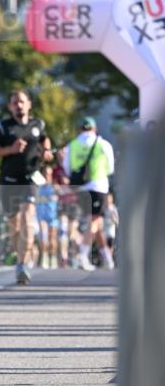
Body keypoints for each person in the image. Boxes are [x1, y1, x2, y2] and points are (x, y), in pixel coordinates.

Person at [0, 89, 53, 284]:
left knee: (27, 217)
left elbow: (43, 139)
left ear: (29, 104)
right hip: (8, 180)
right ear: (10, 106)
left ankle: (23, 264)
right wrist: (11, 149)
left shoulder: (37, 124)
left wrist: (46, 150)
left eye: (22, 102)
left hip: (30, 179)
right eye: (14, 102)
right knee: (14, 225)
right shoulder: (2, 127)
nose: (18, 105)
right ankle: (20, 258)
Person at [61, 116, 115, 271]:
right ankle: (83, 255)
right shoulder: (103, 144)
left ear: (80, 129)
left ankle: (107, 258)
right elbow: (110, 168)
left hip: (81, 188)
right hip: (98, 186)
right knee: (95, 221)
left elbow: (67, 168)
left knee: (96, 223)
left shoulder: (72, 145)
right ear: (94, 128)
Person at [35, 163, 59, 268]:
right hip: (41, 215)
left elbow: (58, 196)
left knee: (52, 238)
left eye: (49, 174)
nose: (47, 176)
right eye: (45, 174)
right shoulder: (38, 187)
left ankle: (53, 257)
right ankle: (44, 257)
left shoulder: (54, 187)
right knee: (43, 236)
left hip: (52, 215)